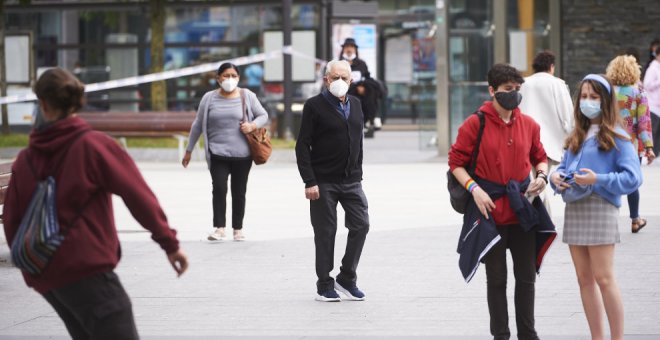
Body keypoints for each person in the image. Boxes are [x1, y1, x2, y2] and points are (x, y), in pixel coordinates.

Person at [2, 68, 189, 340]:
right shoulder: (95, 146)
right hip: (88, 270)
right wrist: (170, 245)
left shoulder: (26, 159)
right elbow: (138, 196)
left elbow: (12, 219)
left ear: (41, 104)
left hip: (48, 277)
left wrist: (33, 269)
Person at [449, 63, 554, 340]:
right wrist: (474, 189)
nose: (514, 94)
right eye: (508, 89)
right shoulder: (475, 123)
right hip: (490, 211)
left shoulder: (529, 124)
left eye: (518, 89)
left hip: (523, 211)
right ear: (492, 90)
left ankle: (528, 335)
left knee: (526, 278)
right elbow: (456, 163)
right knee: (496, 280)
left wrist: (542, 175)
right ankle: (501, 335)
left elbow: (540, 156)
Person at [550, 74, 642, 340]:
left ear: (606, 101)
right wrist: (557, 178)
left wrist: (597, 179)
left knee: (603, 278)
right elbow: (566, 168)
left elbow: (633, 178)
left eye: (594, 97)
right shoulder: (577, 135)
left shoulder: (618, 136)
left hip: (601, 207)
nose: (588, 102)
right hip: (575, 208)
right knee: (584, 279)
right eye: (585, 97)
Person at [295, 59, 369, 302]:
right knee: (326, 232)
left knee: (361, 225)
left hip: (351, 181)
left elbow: (358, 141)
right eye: (334, 77)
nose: (339, 82)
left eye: (344, 78)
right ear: (326, 79)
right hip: (322, 182)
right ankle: (324, 284)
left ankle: (347, 277)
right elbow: (302, 145)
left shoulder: (356, 105)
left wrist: (357, 171)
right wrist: (309, 181)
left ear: (351, 80)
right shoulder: (314, 106)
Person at [182, 62, 268, 242]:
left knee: (239, 191)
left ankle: (238, 229)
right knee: (219, 189)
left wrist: (252, 125)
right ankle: (219, 228)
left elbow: (263, 115)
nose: (230, 79)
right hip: (217, 153)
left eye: (233, 76)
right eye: (226, 76)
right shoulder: (209, 98)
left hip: (242, 154)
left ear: (238, 78)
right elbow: (197, 124)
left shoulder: (247, 96)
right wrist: (189, 150)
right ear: (218, 78)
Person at [519, 50, 574, 212]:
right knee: (538, 185)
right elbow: (568, 117)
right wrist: (571, 139)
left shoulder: (523, 83)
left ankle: (542, 224)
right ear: (551, 66)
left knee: (534, 184)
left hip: (524, 141)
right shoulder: (557, 84)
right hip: (547, 145)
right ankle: (542, 224)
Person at [606, 55, 655, 233]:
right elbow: (643, 122)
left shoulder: (606, 91)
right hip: (629, 143)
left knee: (609, 178)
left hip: (607, 140)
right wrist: (648, 147)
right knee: (631, 179)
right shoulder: (638, 92)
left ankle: (608, 219)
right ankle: (635, 219)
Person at [339, 37, 382, 138]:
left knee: (372, 89)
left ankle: (372, 119)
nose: (349, 50)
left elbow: (367, 77)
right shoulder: (339, 64)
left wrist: (363, 87)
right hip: (346, 91)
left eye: (351, 47)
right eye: (347, 47)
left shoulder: (361, 64)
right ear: (343, 49)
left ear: (355, 49)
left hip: (361, 91)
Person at [643, 44, 660, 156]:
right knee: (652, 131)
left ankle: (656, 154)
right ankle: (649, 153)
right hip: (653, 105)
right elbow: (647, 84)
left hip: (658, 105)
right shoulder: (653, 68)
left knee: (658, 132)